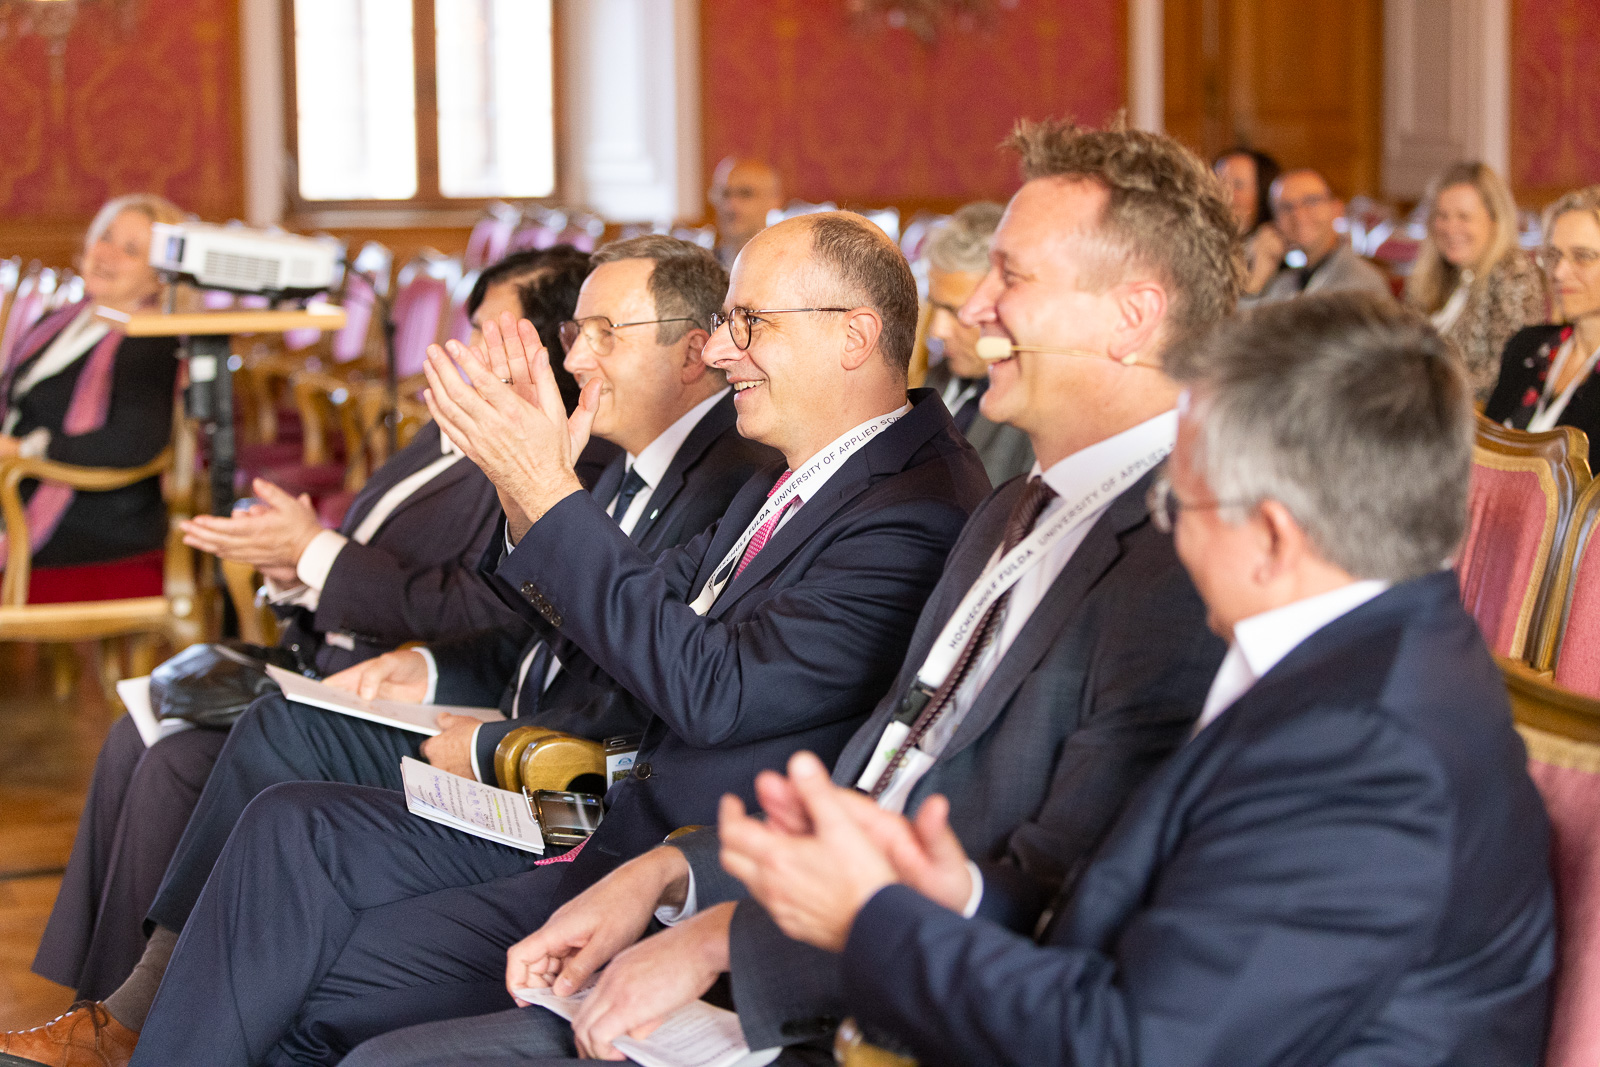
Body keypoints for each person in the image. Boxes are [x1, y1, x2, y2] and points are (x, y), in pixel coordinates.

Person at [342, 116, 1244, 1067]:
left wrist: (724, 937)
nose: (972, 311)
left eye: (1011, 278)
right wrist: (681, 879)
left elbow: (1042, 896)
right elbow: (881, 772)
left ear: (1134, 316)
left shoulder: (1178, 560)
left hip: (867, 1009)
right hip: (740, 896)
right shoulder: (1014, 507)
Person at [125, 212, 990, 1067]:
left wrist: (546, 490)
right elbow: (621, 620)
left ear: (854, 336)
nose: (724, 350)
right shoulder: (803, 470)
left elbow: (713, 690)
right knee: (291, 862)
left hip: (672, 866)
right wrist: (528, 488)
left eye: (748, 322)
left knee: (313, 992)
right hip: (610, 824)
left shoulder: (914, 505)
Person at [0, 235, 780, 1067]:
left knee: (277, 778)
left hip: (561, 772)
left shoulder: (716, 474)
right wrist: (430, 665)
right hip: (498, 709)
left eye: (604, 334)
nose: (575, 357)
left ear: (691, 352)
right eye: (572, 334)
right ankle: (120, 1014)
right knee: (189, 742)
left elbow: (639, 661)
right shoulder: (626, 452)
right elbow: (546, 625)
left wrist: (490, 734)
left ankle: (133, 1021)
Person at [720, 293, 1555, 1067]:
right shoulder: (1362, 655)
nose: (1171, 539)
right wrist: (959, 896)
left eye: (1177, 507)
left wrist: (871, 919)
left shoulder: (1366, 753)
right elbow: (1158, 936)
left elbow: (1134, 1048)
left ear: (1272, 537)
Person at [0, 194, 185, 572]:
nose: (107, 254)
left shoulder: (149, 339)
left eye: (130, 250)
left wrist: (22, 448)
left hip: (89, 516)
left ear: (159, 276)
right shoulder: (62, 319)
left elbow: (132, 442)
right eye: (106, 237)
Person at [1405, 162, 1546, 404]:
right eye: (1442, 216)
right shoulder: (1433, 276)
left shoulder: (1514, 274)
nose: (1450, 228)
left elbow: (1505, 375)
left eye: (1464, 217)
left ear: (1495, 220)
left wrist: (1422, 390)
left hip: (1469, 416)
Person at [920, 201, 1034, 485]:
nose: (937, 331)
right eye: (935, 307)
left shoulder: (1033, 407)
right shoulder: (935, 379)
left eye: (957, 312)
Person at [1485, 185, 1600, 442]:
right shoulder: (1527, 347)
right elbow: (1487, 446)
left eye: (1582, 256)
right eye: (1554, 256)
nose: (1558, 272)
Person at [1243, 169, 1390, 305]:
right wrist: (1258, 277)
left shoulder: (1361, 283)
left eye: (1311, 201)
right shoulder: (1284, 283)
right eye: (1286, 207)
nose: (1298, 215)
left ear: (1337, 209)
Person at [1213, 147, 1285, 297]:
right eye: (1217, 182)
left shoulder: (1281, 252)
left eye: (1238, 185)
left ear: (1264, 195)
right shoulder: (1205, 246)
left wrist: (1258, 275)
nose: (1224, 193)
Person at [708, 156, 783, 269]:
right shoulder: (701, 267)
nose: (730, 206)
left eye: (745, 194)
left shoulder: (787, 265)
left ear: (774, 200)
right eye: (725, 194)